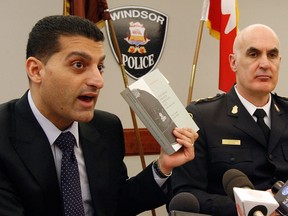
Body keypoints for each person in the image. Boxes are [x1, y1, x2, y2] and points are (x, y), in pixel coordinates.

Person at [0, 15, 198, 216]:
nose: (98, 81)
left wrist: (162, 167)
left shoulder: (106, 127)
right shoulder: (4, 133)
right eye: (79, 65)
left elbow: (117, 204)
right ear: (36, 71)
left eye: (100, 67)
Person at [170, 24, 288, 216]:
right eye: (253, 54)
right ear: (233, 62)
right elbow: (185, 196)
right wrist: (254, 208)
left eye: (272, 55)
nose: (265, 64)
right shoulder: (202, 117)